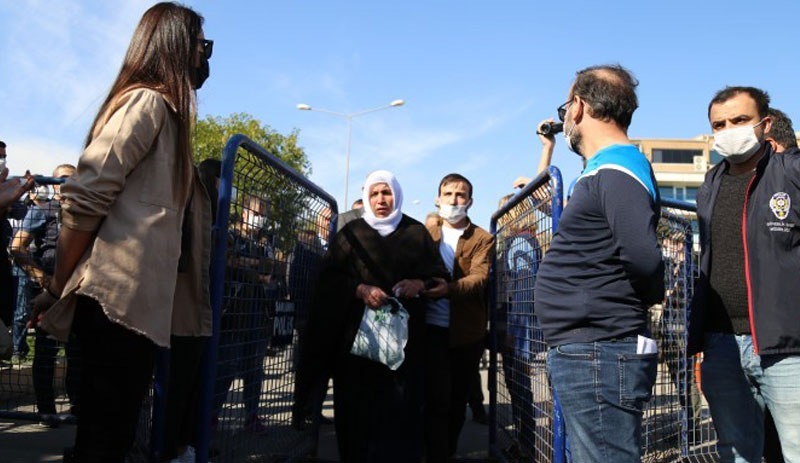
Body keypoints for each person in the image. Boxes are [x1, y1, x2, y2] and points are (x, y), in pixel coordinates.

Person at [29, 3, 212, 461]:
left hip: (136, 309)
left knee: (113, 432)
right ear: (173, 44)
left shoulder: (169, 117)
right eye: (201, 45)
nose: (206, 56)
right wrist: (56, 286)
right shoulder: (146, 101)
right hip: (114, 304)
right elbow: (86, 197)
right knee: (105, 437)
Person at [533, 64, 664, 462]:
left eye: (564, 110)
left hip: (598, 351)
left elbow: (643, 258)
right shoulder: (607, 169)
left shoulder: (617, 169)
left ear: (577, 107)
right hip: (592, 349)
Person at [297, 170, 448, 462]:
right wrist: (358, 288)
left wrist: (419, 284)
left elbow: (439, 280)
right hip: (355, 348)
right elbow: (328, 282)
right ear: (367, 196)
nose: (381, 199)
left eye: (387, 192)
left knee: (400, 415)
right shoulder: (351, 234)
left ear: (397, 195)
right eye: (375, 193)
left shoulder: (416, 233)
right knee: (356, 416)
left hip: (404, 347)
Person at [690, 86, 800, 463]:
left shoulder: (792, 173)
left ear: (764, 124)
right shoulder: (710, 183)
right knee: (735, 454)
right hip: (721, 345)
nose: (729, 130)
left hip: (786, 347)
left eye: (739, 120)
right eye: (719, 124)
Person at [421, 173, 494, 461]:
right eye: (448, 194)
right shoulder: (425, 234)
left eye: (460, 195)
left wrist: (447, 290)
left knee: (455, 402)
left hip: (466, 334)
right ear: (438, 199)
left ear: (470, 201)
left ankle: (446, 451)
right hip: (429, 330)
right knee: (432, 400)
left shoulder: (482, 239)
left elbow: (478, 277)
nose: (454, 200)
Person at [11, 164, 80, 427]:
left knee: (77, 355)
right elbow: (17, 247)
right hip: (49, 296)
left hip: (76, 294)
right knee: (45, 355)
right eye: (61, 180)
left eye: (73, 181)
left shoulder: (85, 212)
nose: (66, 185)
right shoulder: (41, 211)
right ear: (53, 184)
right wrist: (42, 278)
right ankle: (46, 411)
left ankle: (77, 408)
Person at [161, 158, 216, 463]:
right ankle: (171, 449)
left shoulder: (206, 203)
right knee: (176, 389)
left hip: (196, 313)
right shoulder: (186, 188)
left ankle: (184, 446)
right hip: (179, 311)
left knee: (191, 389)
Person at [212, 195, 274, 434]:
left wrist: (249, 266)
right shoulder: (231, 235)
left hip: (258, 314)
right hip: (233, 314)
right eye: (258, 213)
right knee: (225, 367)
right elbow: (226, 263)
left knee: (254, 369)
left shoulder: (263, 242)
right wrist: (255, 270)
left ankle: (252, 416)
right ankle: (212, 416)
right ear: (245, 212)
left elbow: (272, 268)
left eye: (264, 215)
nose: (261, 219)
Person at [496, 193, 542, 459]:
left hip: (519, 327)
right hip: (516, 324)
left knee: (520, 388)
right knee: (516, 387)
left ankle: (526, 446)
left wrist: (516, 331)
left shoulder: (520, 242)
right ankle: (523, 442)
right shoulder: (519, 242)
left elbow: (524, 289)